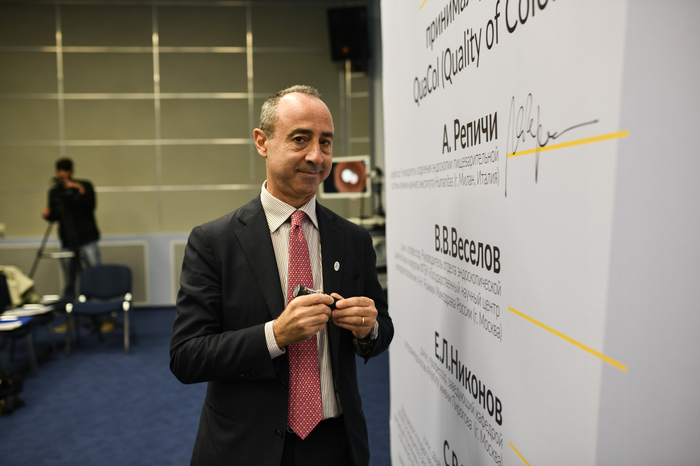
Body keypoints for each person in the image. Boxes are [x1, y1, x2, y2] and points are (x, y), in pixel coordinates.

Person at [170, 85, 393, 466]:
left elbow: (382, 328)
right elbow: (187, 356)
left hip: (337, 446)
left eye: (326, 142)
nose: (316, 156)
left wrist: (368, 329)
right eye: (300, 139)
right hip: (245, 448)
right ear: (263, 142)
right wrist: (275, 335)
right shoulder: (214, 242)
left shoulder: (353, 240)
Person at [41, 157, 101, 302]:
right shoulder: (55, 192)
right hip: (67, 240)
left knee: (95, 275)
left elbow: (91, 206)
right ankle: (70, 310)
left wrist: (80, 190)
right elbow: (55, 216)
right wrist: (47, 215)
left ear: (72, 171)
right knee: (68, 280)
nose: (63, 174)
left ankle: (100, 308)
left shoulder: (83, 185)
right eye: (61, 170)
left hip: (87, 238)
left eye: (66, 170)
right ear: (56, 171)